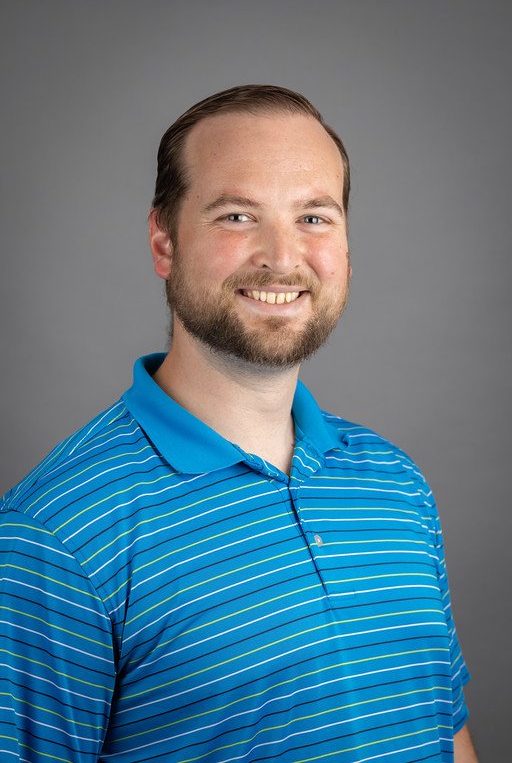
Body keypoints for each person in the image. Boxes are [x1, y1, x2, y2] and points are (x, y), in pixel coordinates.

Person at [0, 84, 478, 762]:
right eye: (236, 216)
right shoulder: (54, 539)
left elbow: (444, 731)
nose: (282, 257)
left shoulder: (396, 485)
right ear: (164, 242)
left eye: (313, 217)